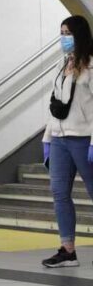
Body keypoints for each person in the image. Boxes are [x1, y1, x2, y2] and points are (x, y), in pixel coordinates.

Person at [41, 15, 93, 268]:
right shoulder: (63, 66)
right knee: (59, 193)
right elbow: (57, 105)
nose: (64, 38)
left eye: (68, 33)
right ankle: (67, 249)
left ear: (80, 36)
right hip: (61, 138)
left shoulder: (91, 67)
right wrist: (48, 137)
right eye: (61, 32)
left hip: (84, 138)